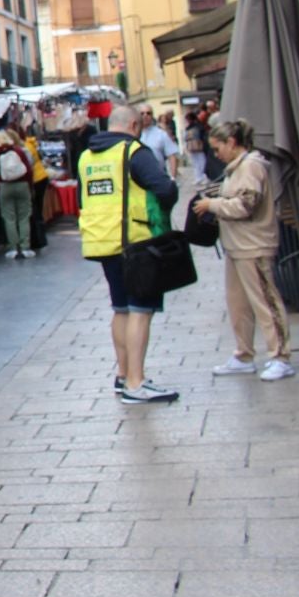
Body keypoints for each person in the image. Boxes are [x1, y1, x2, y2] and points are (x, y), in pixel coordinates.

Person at [78, 107, 181, 405]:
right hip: (135, 241)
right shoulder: (133, 152)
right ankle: (136, 383)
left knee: (120, 309)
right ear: (134, 125)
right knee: (140, 310)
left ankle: (123, 376)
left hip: (102, 241)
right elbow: (165, 189)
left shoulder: (87, 157)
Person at [192, 117, 295, 381]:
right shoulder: (237, 168)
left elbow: (246, 205)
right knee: (238, 303)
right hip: (238, 246)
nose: (216, 154)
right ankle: (244, 354)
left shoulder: (250, 167)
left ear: (232, 142)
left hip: (253, 244)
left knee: (265, 301)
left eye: (218, 148)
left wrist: (212, 206)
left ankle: (280, 356)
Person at [0, 127, 36, 259]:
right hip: (22, 186)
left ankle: (13, 248)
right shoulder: (18, 151)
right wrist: (29, 187)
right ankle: (25, 247)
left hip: (5, 187)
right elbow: (29, 171)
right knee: (24, 217)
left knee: (9, 219)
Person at [138, 105, 182, 180]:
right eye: (142, 113)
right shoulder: (130, 134)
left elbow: (172, 155)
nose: (145, 116)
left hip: (158, 176)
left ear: (152, 116)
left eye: (148, 113)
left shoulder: (161, 134)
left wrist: (173, 177)